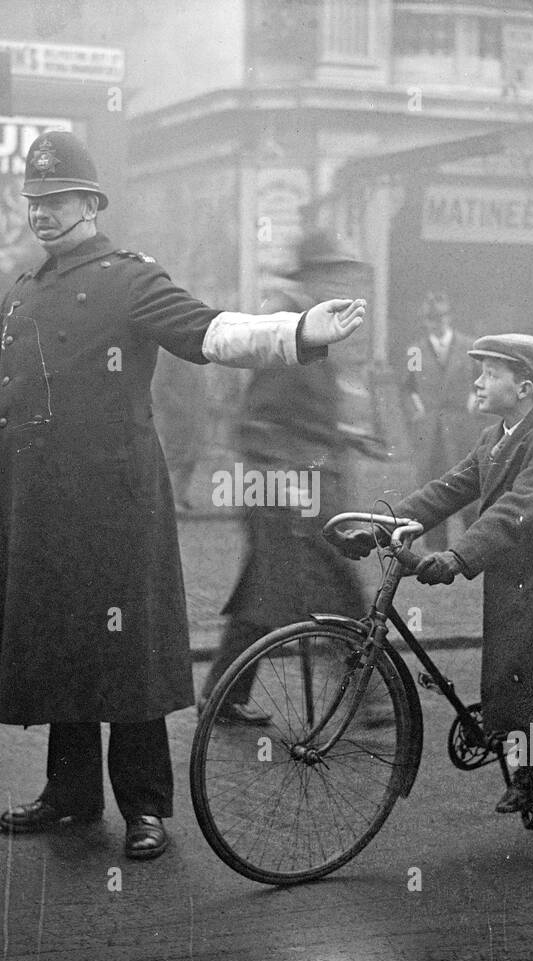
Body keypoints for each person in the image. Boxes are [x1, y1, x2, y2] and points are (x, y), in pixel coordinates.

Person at [0, 131, 365, 861]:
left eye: (57, 201)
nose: (43, 214)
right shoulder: (19, 295)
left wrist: (298, 331)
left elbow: (211, 333)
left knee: (125, 654)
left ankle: (144, 806)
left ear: (91, 202)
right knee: (59, 647)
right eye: (34, 202)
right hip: (38, 503)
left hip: (116, 502)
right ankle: (70, 796)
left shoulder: (130, 279)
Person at [331, 334, 533, 868]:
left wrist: (455, 557)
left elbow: (515, 510)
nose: (477, 381)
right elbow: (448, 489)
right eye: (479, 371)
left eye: (491, 373)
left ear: (523, 388)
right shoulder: (495, 436)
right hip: (530, 573)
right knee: (516, 669)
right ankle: (532, 772)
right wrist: (381, 529)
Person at [200, 229, 383, 721]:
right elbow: (258, 416)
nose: (342, 281)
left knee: (265, 593)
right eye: (335, 272)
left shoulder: (314, 326)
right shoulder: (292, 325)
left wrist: (344, 435)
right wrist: (290, 468)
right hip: (284, 488)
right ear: (314, 276)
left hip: (295, 483)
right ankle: (367, 696)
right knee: (335, 584)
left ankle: (224, 694)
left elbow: (298, 412)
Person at [398, 293, 476, 552]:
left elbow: (481, 379)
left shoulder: (469, 347)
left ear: (449, 317)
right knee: (433, 488)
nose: (435, 324)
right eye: (430, 319)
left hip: (461, 428)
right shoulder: (416, 351)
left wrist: (474, 401)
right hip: (430, 432)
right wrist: (416, 412)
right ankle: (435, 548)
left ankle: (473, 543)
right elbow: (408, 388)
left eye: (440, 318)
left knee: (468, 484)